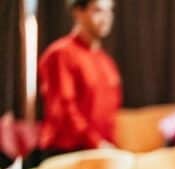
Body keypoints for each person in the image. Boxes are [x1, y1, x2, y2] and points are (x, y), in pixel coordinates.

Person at [37, 0, 121, 160]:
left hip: (100, 154)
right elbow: (64, 109)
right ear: (78, 12)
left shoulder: (107, 62)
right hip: (65, 154)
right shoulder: (60, 54)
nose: (106, 17)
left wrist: (109, 148)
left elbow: (110, 118)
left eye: (110, 11)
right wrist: (96, 143)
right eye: (98, 11)